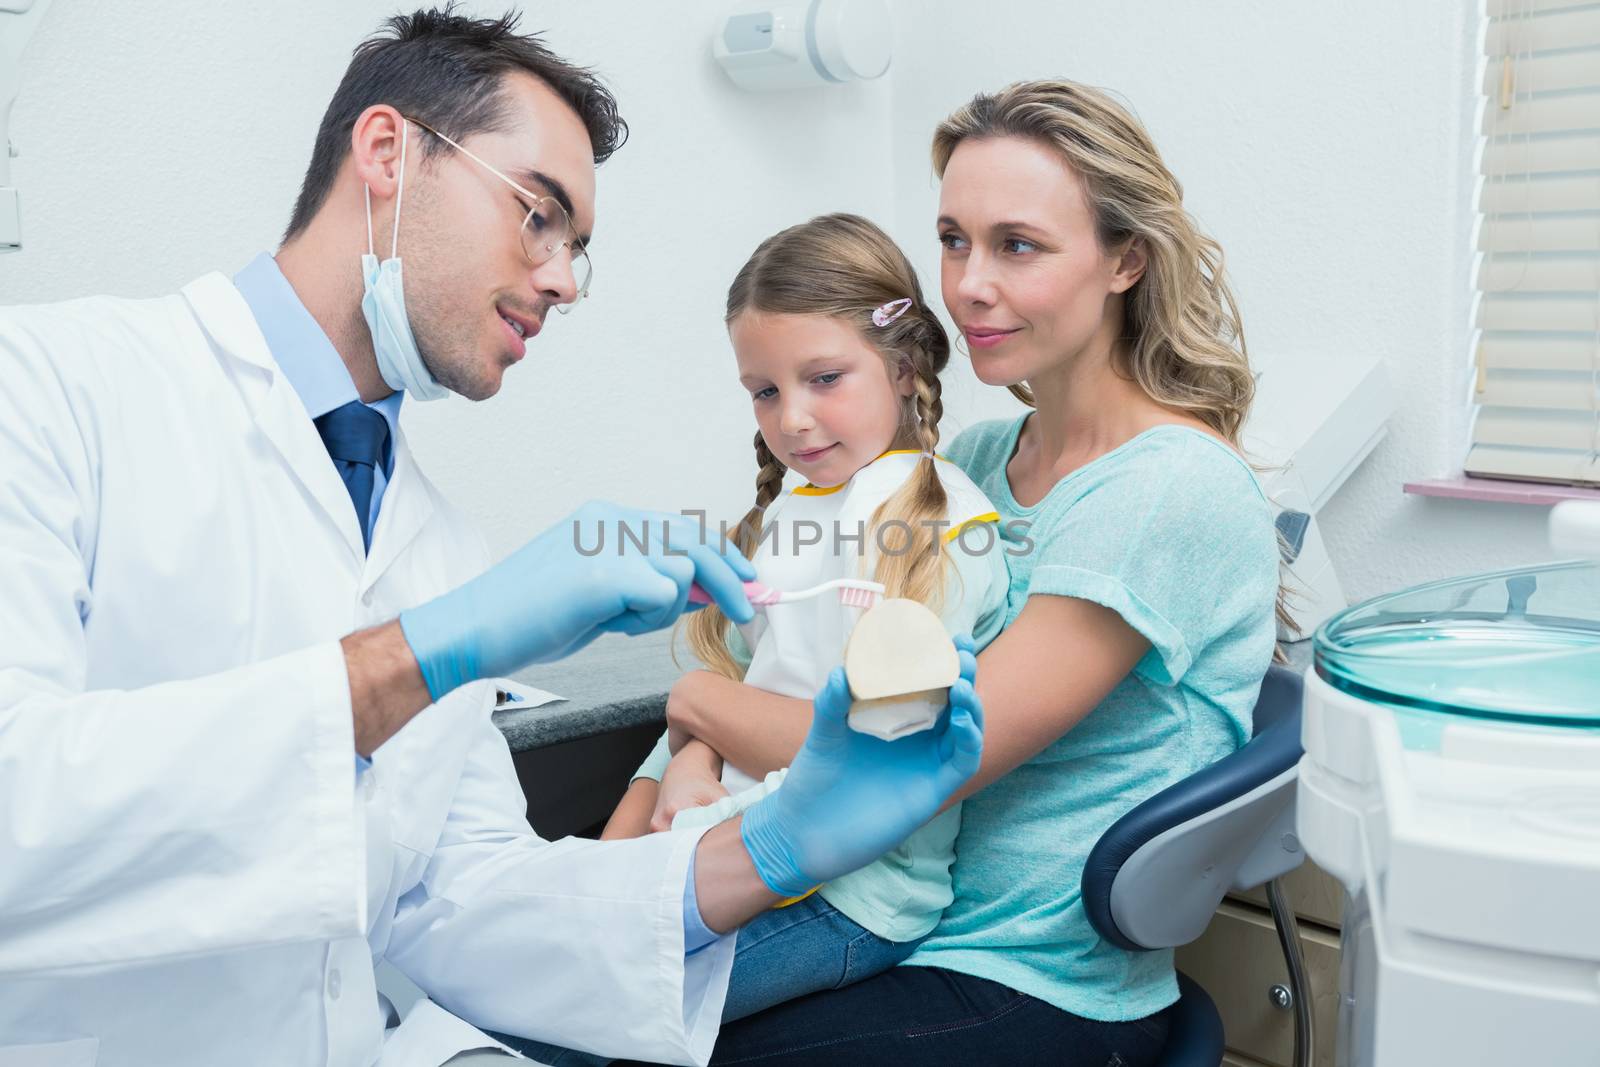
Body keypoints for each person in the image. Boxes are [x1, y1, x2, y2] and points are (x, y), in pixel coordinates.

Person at [0, 11, 985, 1067]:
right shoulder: (47, 390)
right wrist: (424, 650)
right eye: (537, 215)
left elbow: (465, 901)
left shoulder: (435, 546)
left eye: (577, 249)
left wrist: (774, 847)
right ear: (387, 153)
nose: (563, 280)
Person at [644, 80, 1285, 1067]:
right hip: (882, 930)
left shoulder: (1173, 488)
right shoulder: (973, 466)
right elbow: (771, 649)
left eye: (1016, 245)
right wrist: (678, 763)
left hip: (1028, 982)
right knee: (596, 1006)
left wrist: (694, 701)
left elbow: (911, 754)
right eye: (953, 240)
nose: (968, 283)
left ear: (1124, 260)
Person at [592, 215, 1008, 1030]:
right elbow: (743, 685)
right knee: (538, 972)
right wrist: (686, 764)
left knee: (577, 1013)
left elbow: (872, 764)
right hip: (732, 844)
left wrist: (698, 709)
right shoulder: (794, 512)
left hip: (851, 894)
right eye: (766, 390)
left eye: (824, 378)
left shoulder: (942, 523)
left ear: (903, 364)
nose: (793, 420)